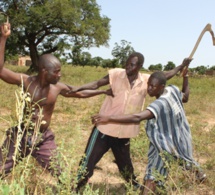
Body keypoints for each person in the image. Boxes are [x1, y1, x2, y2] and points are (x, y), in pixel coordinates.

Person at [0, 23, 111, 181]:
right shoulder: (25, 81)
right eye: (56, 71)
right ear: (44, 71)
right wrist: (3, 38)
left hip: (43, 138)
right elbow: (0, 70)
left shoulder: (57, 87)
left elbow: (79, 93)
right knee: (2, 167)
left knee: (62, 175)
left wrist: (103, 91)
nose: (60, 75)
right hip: (21, 135)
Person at [71, 50, 192, 191]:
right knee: (88, 161)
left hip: (124, 132)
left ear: (140, 66)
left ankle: (133, 185)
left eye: (132, 65)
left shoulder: (146, 81)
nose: (128, 67)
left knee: (125, 165)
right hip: (104, 129)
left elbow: (165, 76)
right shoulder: (116, 74)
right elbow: (96, 84)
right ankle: (75, 187)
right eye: (127, 64)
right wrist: (76, 88)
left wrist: (181, 66)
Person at [92, 71, 206, 194]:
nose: (149, 89)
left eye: (153, 86)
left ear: (162, 86)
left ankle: (198, 177)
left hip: (168, 142)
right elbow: (185, 97)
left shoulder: (160, 104)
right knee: (173, 165)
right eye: (149, 84)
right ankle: (200, 177)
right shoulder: (172, 90)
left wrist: (109, 118)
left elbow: (137, 117)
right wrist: (186, 78)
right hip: (176, 140)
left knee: (169, 168)